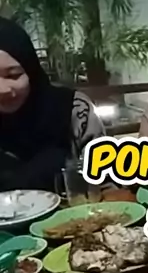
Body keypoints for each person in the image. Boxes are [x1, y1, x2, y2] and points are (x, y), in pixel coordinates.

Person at [0, 17, 104, 192]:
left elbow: (106, 180)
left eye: (13, 75)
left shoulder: (74, 110)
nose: (3, 90)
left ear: (32, 71)